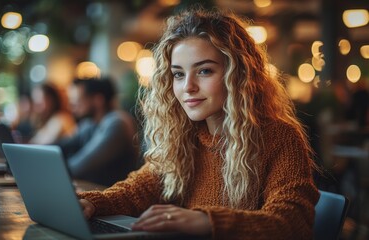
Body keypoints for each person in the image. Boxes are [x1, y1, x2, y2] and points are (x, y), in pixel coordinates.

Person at [77, 7, 320, 239]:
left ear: (238, 74)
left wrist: (206, 221)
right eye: (178, 74)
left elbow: (291, 222)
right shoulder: (184, 136)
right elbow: (137, 190)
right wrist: (93, 203)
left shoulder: (279, 137)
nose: (188, 87)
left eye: (204, 71)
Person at [56, 77, 139, 186]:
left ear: (98, 100)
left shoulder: (117, 123)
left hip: (112, 195)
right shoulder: (90, 123)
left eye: (78, 101)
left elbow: (78, 166)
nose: (71, 107)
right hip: (93, 189)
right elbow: (64, 145)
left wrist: (51, 169)